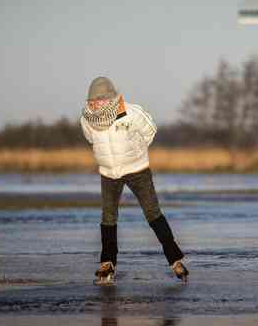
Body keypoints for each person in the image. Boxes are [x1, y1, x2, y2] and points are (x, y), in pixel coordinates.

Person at [80, 76, 188, 285]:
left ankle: (175, 259)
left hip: (137, 170)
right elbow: (90, 139)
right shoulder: (86, 119)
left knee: (152, 213)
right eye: (92, 101)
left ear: (110, 98)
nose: (95, 104)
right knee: (108, 218)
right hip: (109, 173)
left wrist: (137, 152)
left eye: (100, 100)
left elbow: (150, 130)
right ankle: (107, 263)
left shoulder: (131, 112)